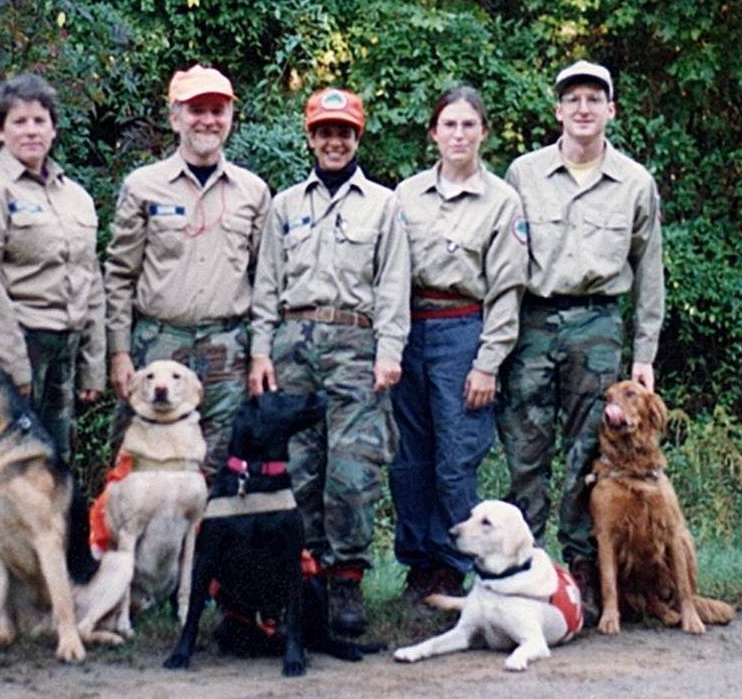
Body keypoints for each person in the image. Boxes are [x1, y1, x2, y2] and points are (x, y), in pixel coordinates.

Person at [0, 72, 106, 638]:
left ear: (54, 129)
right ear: (0, 131)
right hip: (0, 352)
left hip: (60, 346)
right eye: (19, 121)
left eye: (40, 120)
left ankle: (36, 604)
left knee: (44, 477)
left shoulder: (74, 196)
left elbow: (90, 280)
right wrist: (11, 366)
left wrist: (93, 360)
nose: (31, 130)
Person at [498, 60, 665, 625]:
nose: (583, 108)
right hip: (534, 320)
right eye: (573, 99)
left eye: (595, 99)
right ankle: (521, 569)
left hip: (597, 325)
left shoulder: (635, 182)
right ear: (558, 110)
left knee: (585, 455)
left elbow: (650, 271)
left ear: (610, 110)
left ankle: (583, 572)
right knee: (525, 450)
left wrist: (643, 354)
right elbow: (504, 259)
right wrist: (496, 339)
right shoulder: (524, 173)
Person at [248, 88, 410, 636]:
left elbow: (393, 285)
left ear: (356, 137)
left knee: (352, 470)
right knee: (298, 467)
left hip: (356, 343)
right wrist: (260, 349)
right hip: (294, 343)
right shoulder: (285, 205)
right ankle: (303, 575)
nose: (333, 141)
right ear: (311, 138)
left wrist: (390, 351)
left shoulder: (384, 205)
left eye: (343, 132)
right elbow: (266, 285)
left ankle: (345, 580)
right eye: (324, 132)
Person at [390, 86, 528, 602]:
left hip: (463, 331)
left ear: (484, 132)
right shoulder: (406, 196)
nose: (459, 134)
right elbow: (387, 273)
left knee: (454, 460)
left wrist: (488, 362)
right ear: (433, 132)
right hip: (409, 330)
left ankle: (457, 567)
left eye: (469, 124)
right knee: (409, 460)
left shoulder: (502, 201)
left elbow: (507, 289)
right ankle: (419, 564)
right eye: (449, 124)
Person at [104, 64, 271, 478]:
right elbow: (120, 275)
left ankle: (206, 525)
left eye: (218, 110)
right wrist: (119, 352)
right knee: (137, 470)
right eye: (197, 110)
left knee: (217, 469)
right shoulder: (143, 186)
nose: (208, 120)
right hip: (158, 347)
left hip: (227, 351)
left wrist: (260, 353)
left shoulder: (253, 192)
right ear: (175, 117)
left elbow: (267, 281)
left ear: (230, 118)